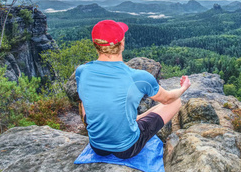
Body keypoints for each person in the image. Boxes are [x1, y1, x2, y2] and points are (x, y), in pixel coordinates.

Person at [76, 19, 191, 159]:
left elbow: (85, 102)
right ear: (122, 44)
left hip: (97, 146)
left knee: (84, 100)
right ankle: (129, 125)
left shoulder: (82, 71)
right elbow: (168, 99)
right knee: (175, 102)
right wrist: (183, 88)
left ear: (96, 44)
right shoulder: (138, 77)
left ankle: (126, 121)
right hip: (127, 148)